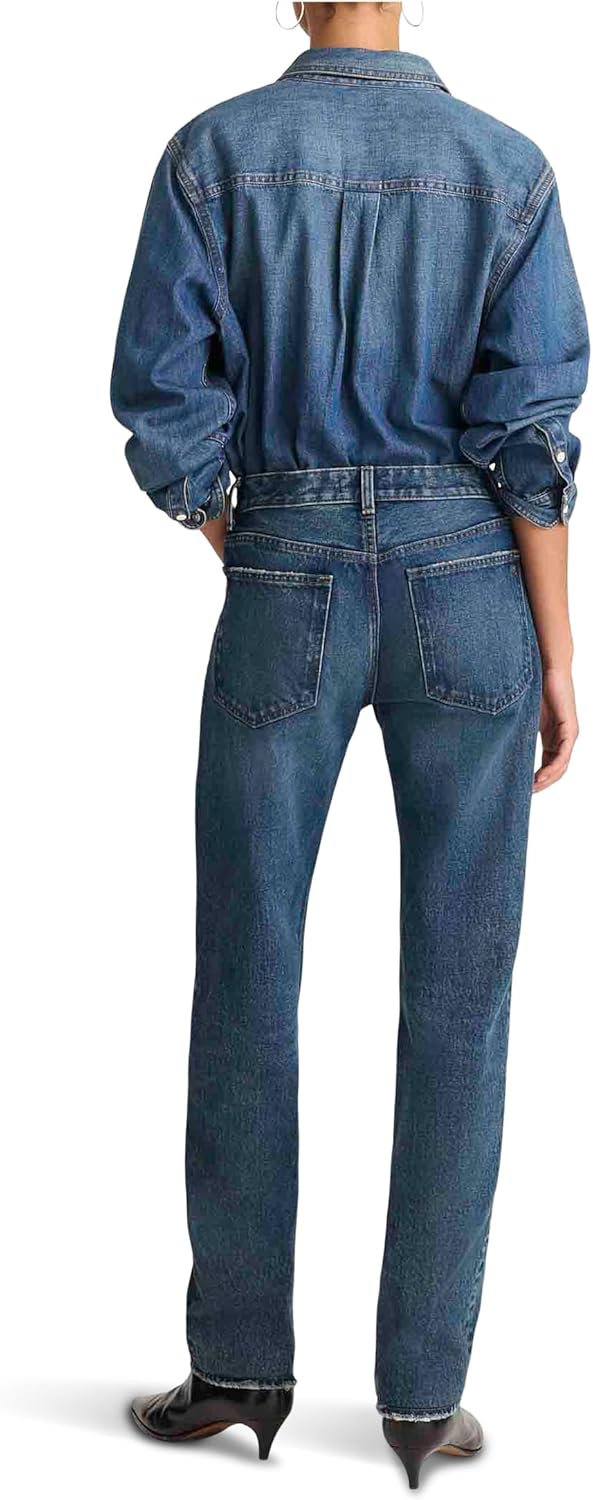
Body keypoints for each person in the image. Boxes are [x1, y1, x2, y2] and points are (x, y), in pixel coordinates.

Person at [109, 1, 589, 1486]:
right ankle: (421, 1402)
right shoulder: (504, 165)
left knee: (248, 967)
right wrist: (557, 650)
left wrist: (258, 542)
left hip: (286, 564)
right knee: (461, 990)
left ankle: (236, 1371)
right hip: (470, 580)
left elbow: (164, 396)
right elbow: (532, 433)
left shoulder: (213, 154)